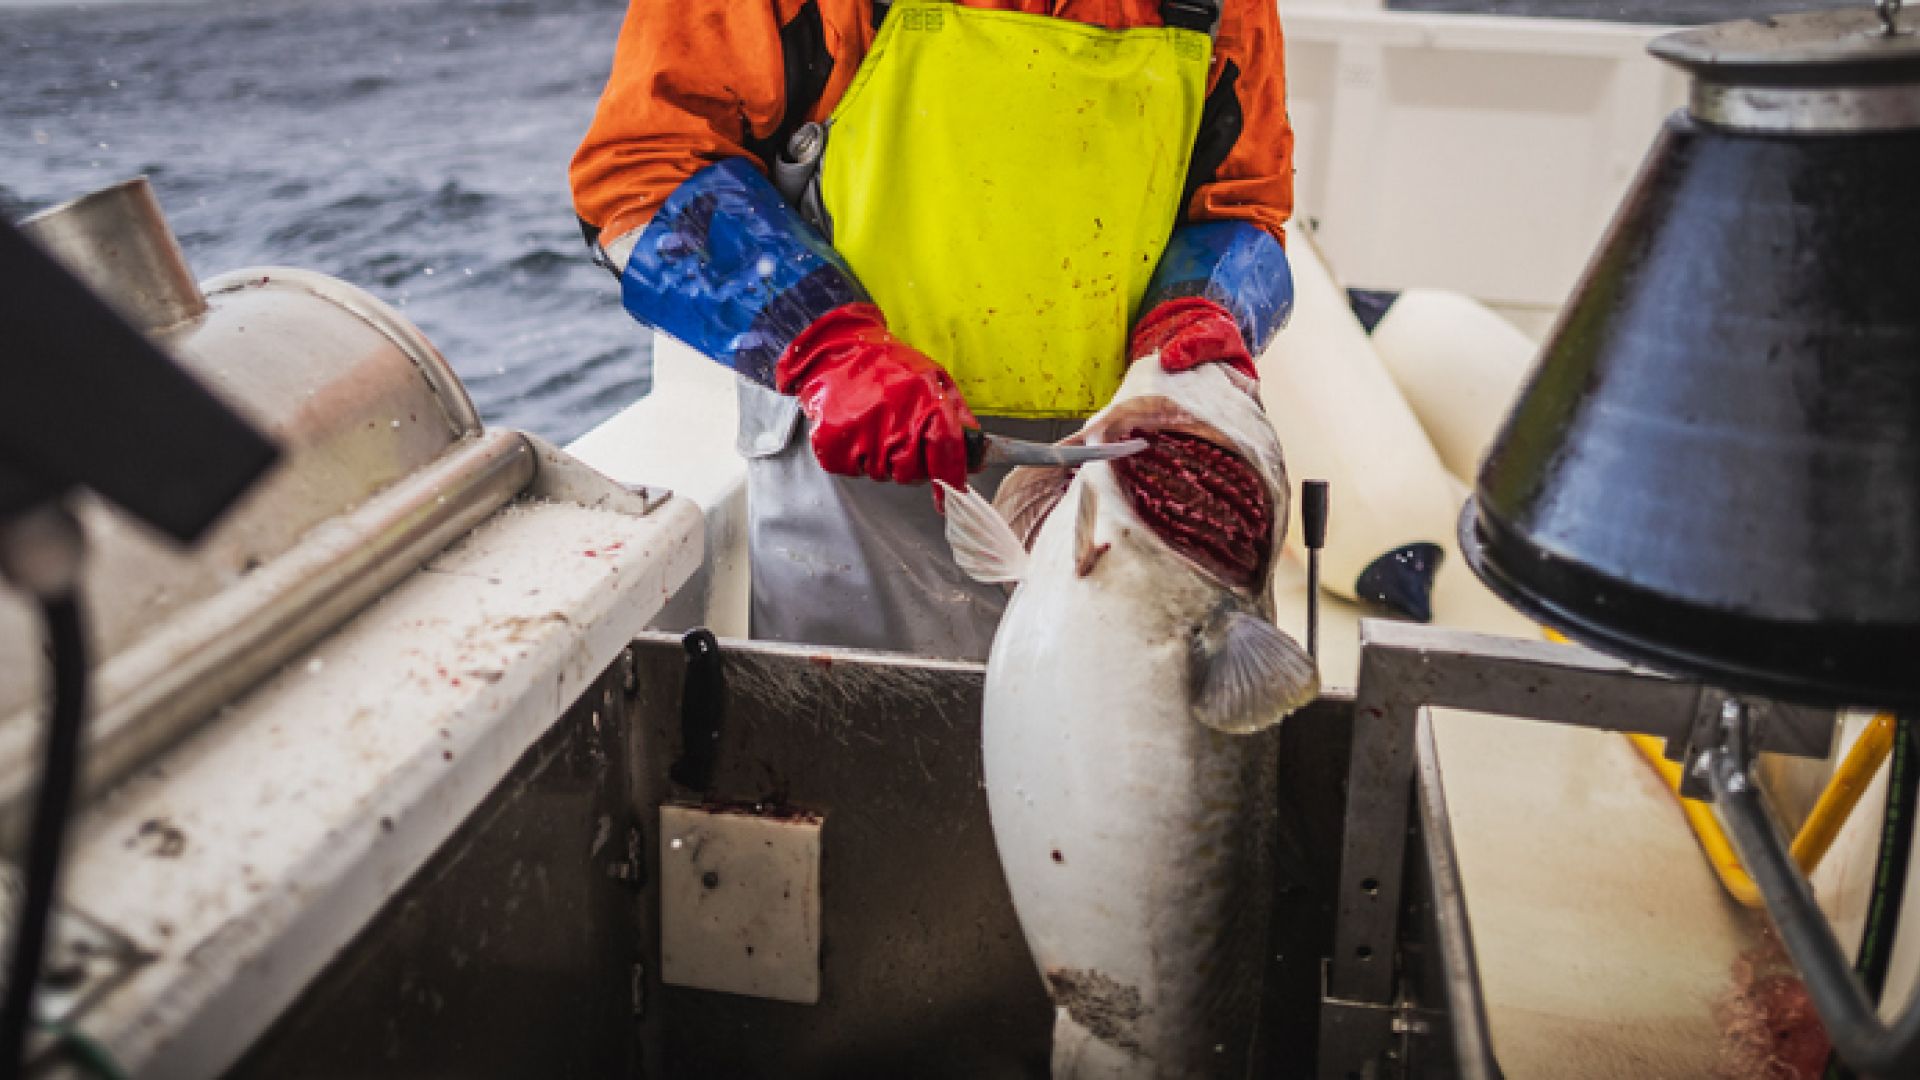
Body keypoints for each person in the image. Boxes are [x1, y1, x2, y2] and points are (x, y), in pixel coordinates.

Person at [572, 0, 1295, 660]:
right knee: (868, 770)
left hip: (1122, 487)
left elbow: (1241, 204)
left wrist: (1201, 305)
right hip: (858, 484)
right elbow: (644, 174)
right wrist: (826, 348)